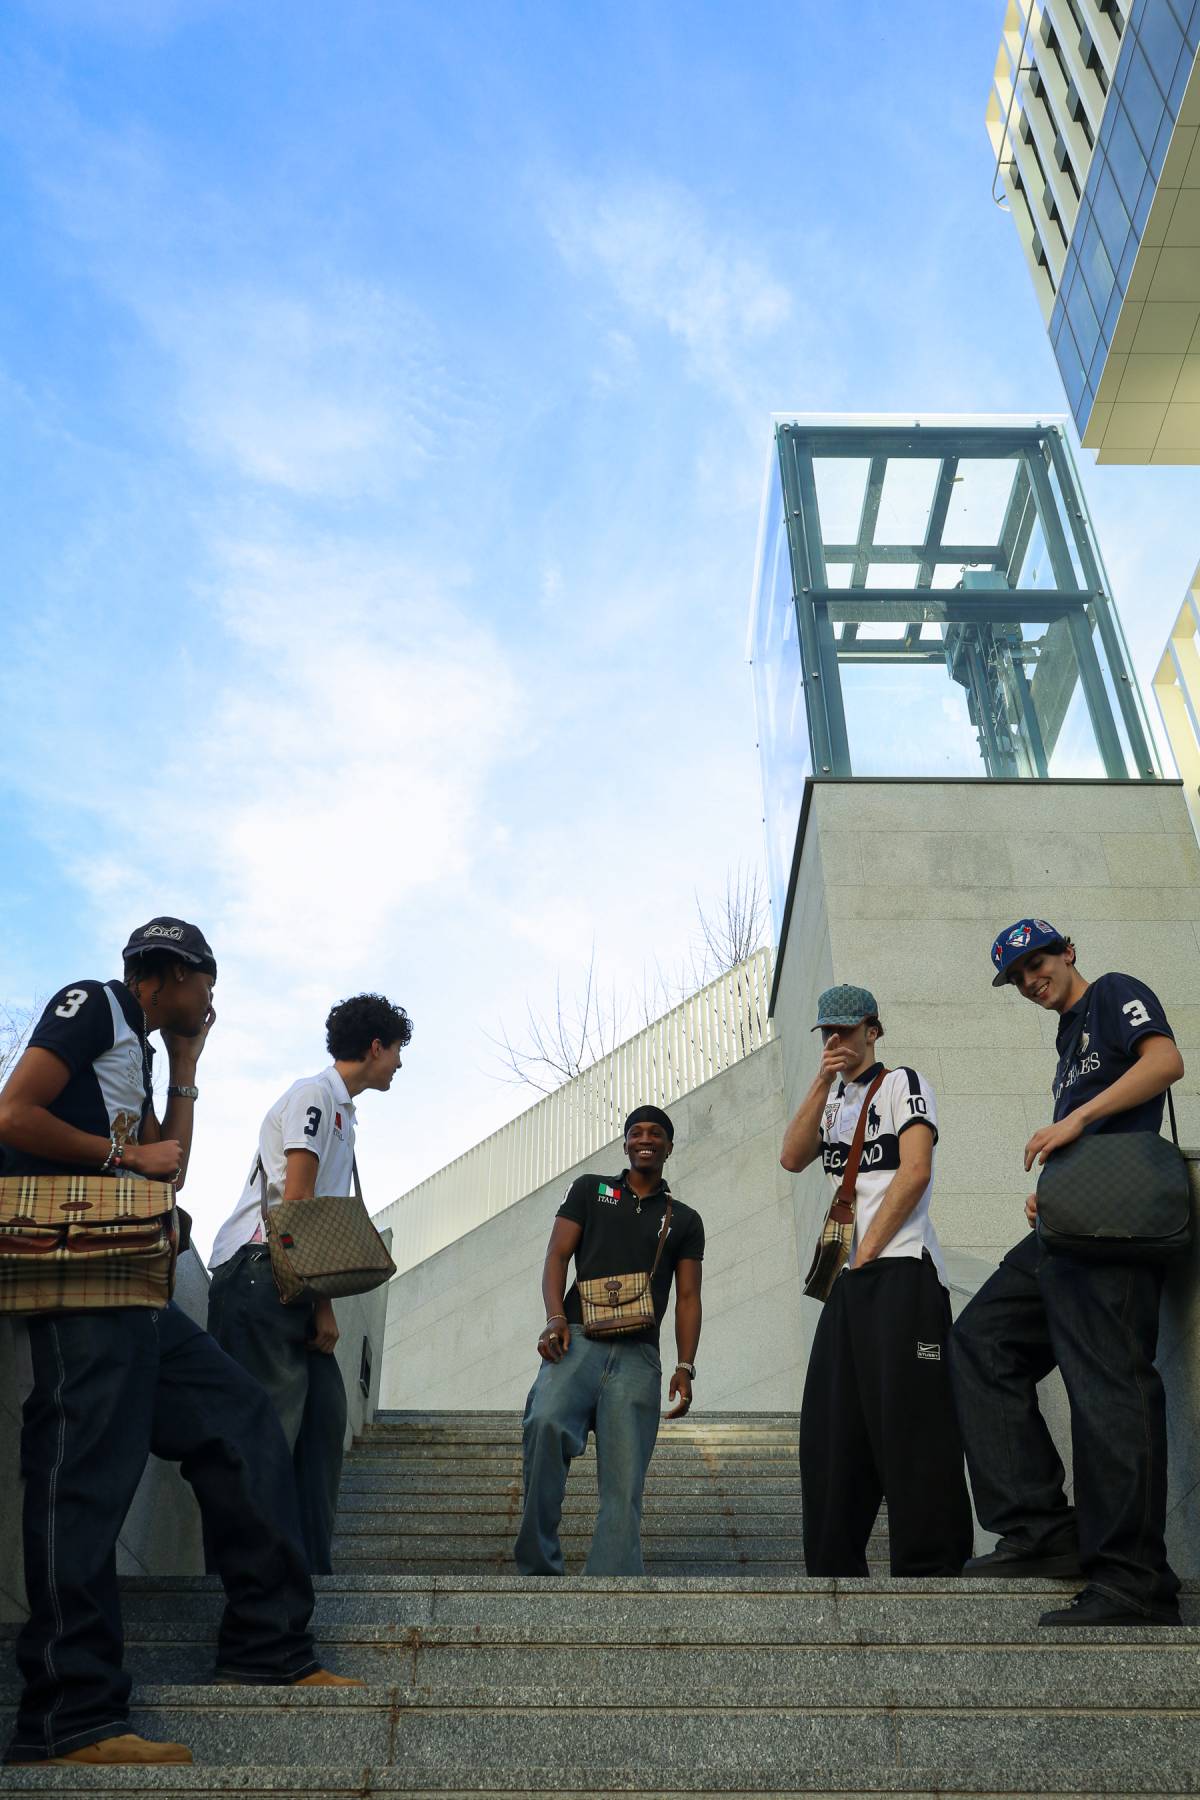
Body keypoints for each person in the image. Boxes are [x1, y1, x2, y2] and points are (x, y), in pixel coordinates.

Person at [0, 918, 359, 1771]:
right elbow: (13, 1113)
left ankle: (267, 1644)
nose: (213, 999)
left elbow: (173, 1167)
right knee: (82, 1474)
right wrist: (117, 1150)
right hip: (78, 1278)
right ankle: (67, 1713)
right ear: (170, 972)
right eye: (208, 982)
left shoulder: (150, 1046)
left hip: (136, 1284)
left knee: (238, 1417)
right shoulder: (91, 1004)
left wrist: (188, 1069)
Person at [951, 920, 1184, 1627]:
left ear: (1068, 951)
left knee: (1107, 1383)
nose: (1029, 980)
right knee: (980, 1341)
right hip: (1068, 1228)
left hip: (1117, 1234)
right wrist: (1054, 1187)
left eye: (1037, 963)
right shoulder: (1066, 1042)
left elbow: (1166, 1061)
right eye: (1016, 976)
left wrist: (1075, 1124)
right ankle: (1041, 1527)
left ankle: (1133, 1579)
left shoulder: (1114, 993)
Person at [207, 992, 413, 1573]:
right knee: (266, 1436)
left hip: (291, 1278)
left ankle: (306, 1583)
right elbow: (296, 1202)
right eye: (397, 1051)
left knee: (323, 1424)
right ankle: (246, 1588)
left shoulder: (343, 1111)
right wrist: (323, 1302)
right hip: (261, 1272)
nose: (398, 1064)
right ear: (375, 1047)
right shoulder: (314, 1096)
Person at [780, 984, 973, 1578]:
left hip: (901, 1267)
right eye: (828, 1032)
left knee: (911, 1415)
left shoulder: (902, 1084)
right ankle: (835, 1568)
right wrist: (819, 1082)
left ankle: (932, 1566)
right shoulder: (832, 1099)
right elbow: (791, 1157)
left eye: (847, 1029)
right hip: (850, 1283)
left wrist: (866, 1253)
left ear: (873, 1029)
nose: (838, 1041)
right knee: (831, 1424)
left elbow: (914, 1172)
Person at [514, 1105, 703, 1577]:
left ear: (669, 1147)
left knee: (624, 1479)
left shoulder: (683, 1218)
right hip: (577, 1339)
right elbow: (557, 1255)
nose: (646, 1139)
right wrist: (554, 1316)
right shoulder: (590, 1190)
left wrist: (685, 1365)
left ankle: (612, 1587)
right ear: (624, 1144)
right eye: (636, 1132)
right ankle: (538, 1569)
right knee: (544, 1423)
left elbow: (688, 1298)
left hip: (640, 1355)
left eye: (656, 1133)